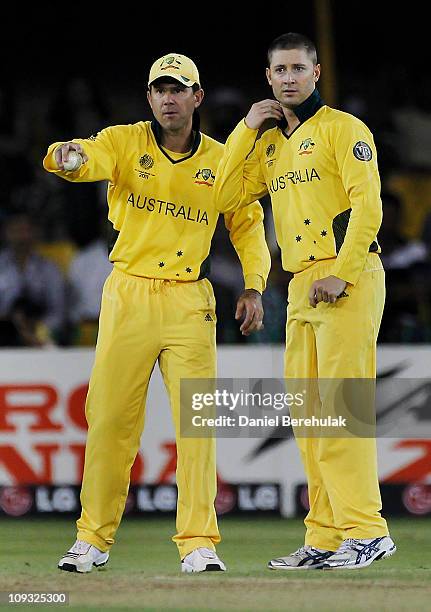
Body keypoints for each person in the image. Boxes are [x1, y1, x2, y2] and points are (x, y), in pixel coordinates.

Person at [43, 53, 270, 573]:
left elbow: (248, 226)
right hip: (129, 294)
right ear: (149, 98)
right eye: (159, 89)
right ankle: (92, 540)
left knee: (198, 425)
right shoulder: (125, 141)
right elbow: (84, 159)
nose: (168, 97)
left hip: (190, 299)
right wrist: (66, 156)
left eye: (179, 89)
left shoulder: (223, 158)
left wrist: (254, 286)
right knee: (109, 423)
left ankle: (197, 543)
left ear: (198, 97)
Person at [214, 32, 396, 570]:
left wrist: (341, 273)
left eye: (298, 68)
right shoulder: (267, 144)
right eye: (280, 71)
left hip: (349, 275)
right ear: (267, 78)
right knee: (310, 418)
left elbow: (370, 208)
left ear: (316, 74)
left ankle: (367, 531)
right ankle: (324, 537)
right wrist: (245, 129)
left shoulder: (344, 129)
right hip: (298, 284)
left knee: (340, 413)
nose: (289, 78)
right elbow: (223, 197)